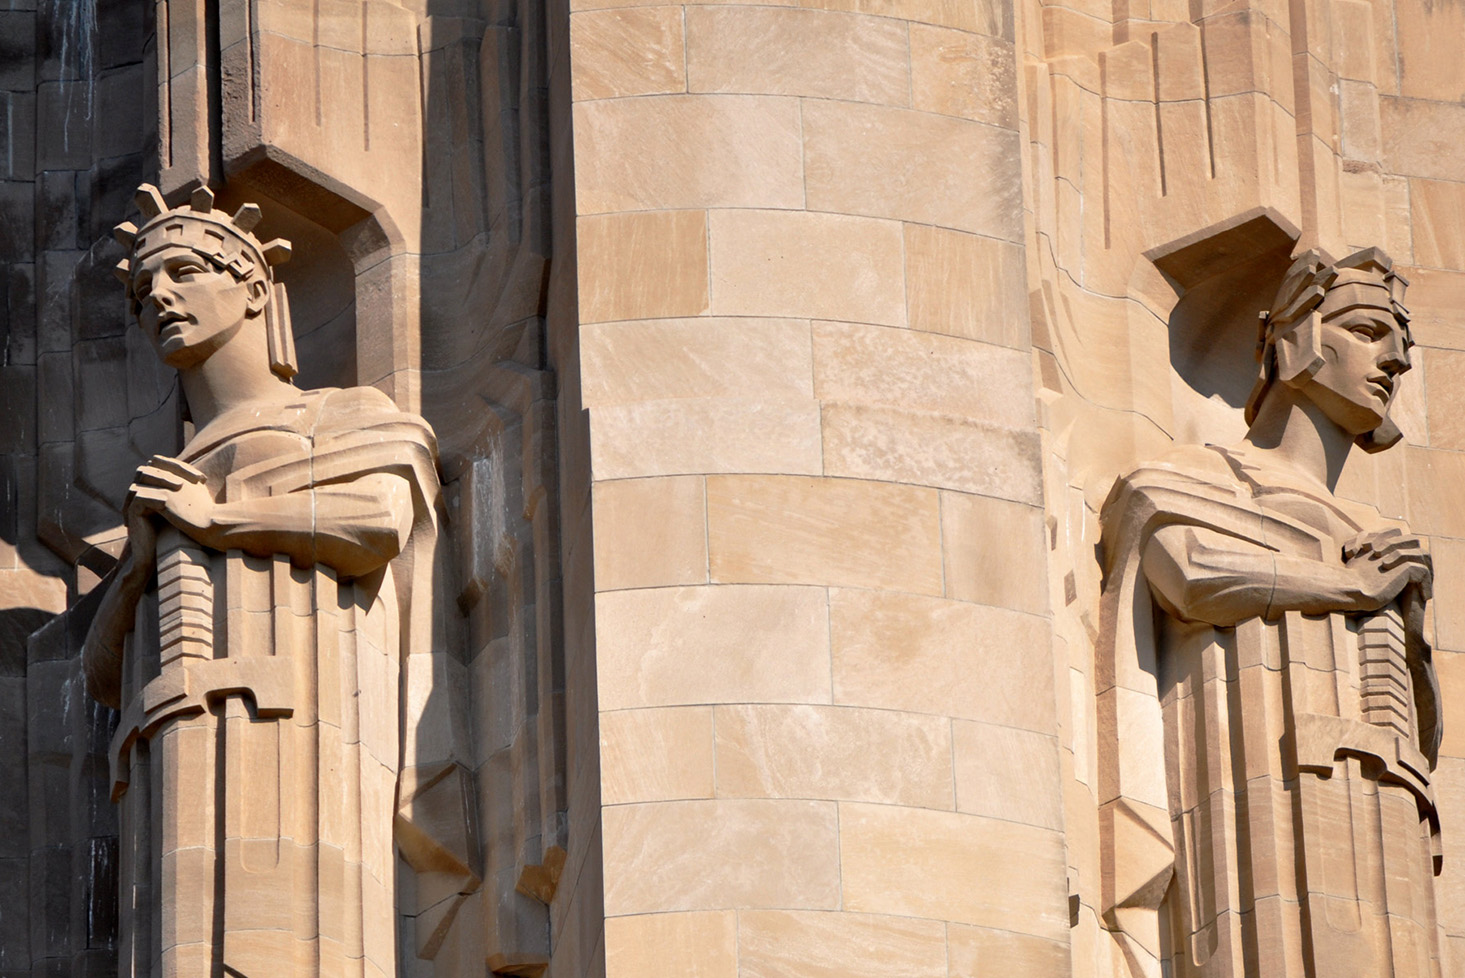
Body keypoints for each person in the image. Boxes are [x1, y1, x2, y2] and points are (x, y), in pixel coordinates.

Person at [82, 184, 443, 977]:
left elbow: (375, 524)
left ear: (251, 287)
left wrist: (214, 519)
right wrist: (140, 569)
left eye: (183, 271)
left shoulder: (345, 416)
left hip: (307, 723)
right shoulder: (162, 480)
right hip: (167, 753)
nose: (161, 299)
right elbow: (102, 676)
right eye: (144, 291)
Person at [1096, 248, 1443, 978]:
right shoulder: (1193, 479)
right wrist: (1346, 587)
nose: (1394, 362)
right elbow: (1188, 573)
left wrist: (1401, 615)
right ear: (1293, 342)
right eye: (1365, 330)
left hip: (1382, 819)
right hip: (1252, 795)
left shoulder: (1377, 533)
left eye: (1400, 344)